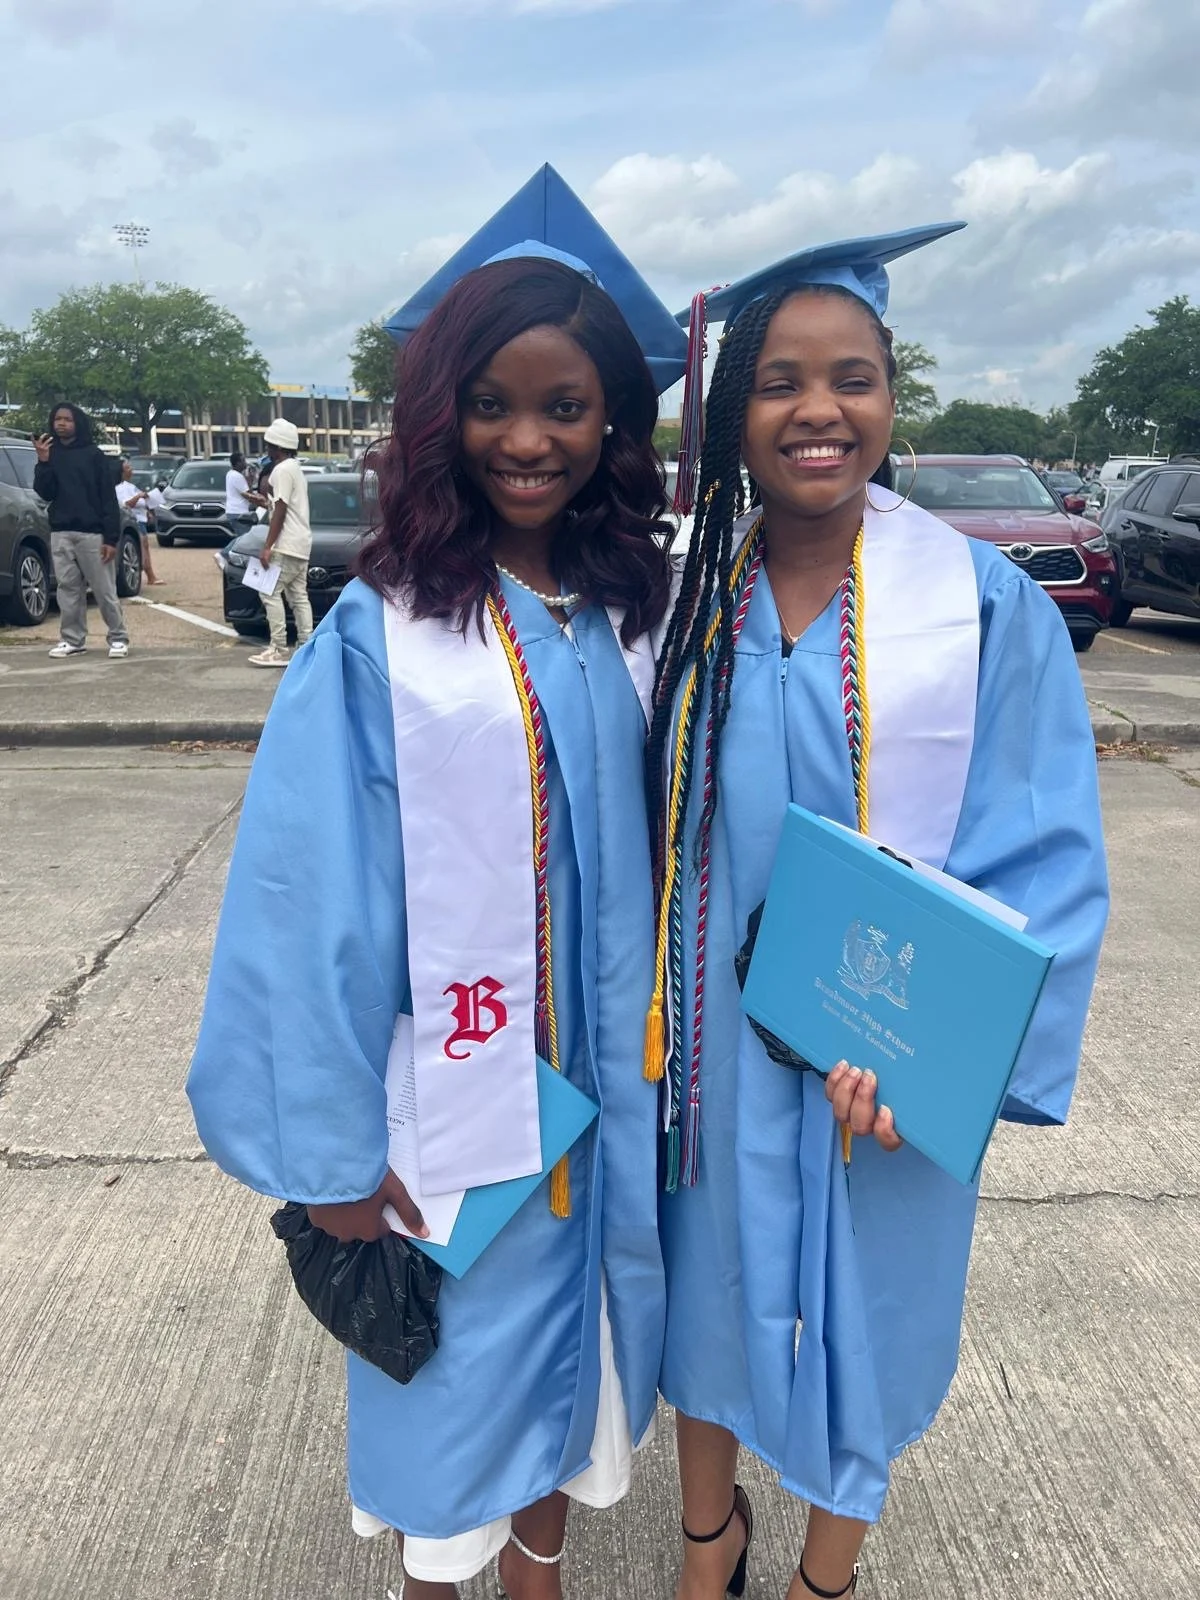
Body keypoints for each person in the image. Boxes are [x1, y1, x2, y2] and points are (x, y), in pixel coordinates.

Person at [187, 164, 690, 1600]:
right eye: (491, 404)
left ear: (613, 423)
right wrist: (330, 1164)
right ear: (438, 419)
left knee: (579, 1379)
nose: (529, 440)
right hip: (457, 1117)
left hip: (610, 1107)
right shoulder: (383, 640)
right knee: (456, 1406)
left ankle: (544, 1574)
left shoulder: (627, 620)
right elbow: (304, 916)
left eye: (567, 407)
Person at [648, 228, 1110, 1600]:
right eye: (781, 380)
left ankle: (822, 1579)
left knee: (872, 1307)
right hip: (712, 1047)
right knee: (703, 1283)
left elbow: (1047, 858)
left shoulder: (978, 609)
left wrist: (941, 1061)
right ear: (736, 407)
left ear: (892, 400)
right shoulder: (679, 596)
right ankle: (704, 1546)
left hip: (875, 1066)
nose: (819, 410)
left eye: (853, 378)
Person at [33, 403, 130, 659]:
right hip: (61, 532)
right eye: (57, 419)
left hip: (92, 534)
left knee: (103, 589)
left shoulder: (93, 455)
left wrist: (111, 538)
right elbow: (45, 492)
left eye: (67, 419)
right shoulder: (51, 454)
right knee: (68, 590)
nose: (61, 424)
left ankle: (118, 638)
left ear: (77, 423)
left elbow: (108, 499)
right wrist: (43, 462)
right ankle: (73, 640)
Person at [247, 419, 312, 667]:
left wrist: (268, 546)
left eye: (269, 445)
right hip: (301, 542)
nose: (267, 450)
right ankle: (305, 646)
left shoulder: (281, 470)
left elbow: (282, 509)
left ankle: (278, 648)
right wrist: (265, 503)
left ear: (277, 446)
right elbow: (283, 505)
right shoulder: (295, 468)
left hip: (285, 543)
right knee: (298, 596)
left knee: (268, 591)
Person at [115, 457, 165, 586]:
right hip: (134, 521)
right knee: (143, 549)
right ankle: (150, 576)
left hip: (141, 519)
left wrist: (147, 509)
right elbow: (126, 504)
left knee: (145, 548)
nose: (131, 470)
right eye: (128, 468)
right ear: (121, 472)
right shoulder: (120, 488)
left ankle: (151, 576)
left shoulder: (130, 486)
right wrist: (139, 496)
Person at [225, 449, 264, 537]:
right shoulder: (237, 476)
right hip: (238, 513)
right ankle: (225, 551)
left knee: (242, 537)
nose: (245, 463)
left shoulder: (230, 474)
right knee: (244, 538)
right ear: (238, 463)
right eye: (243, 461)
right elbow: (248, 495)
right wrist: (263, 502)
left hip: (234, 511)